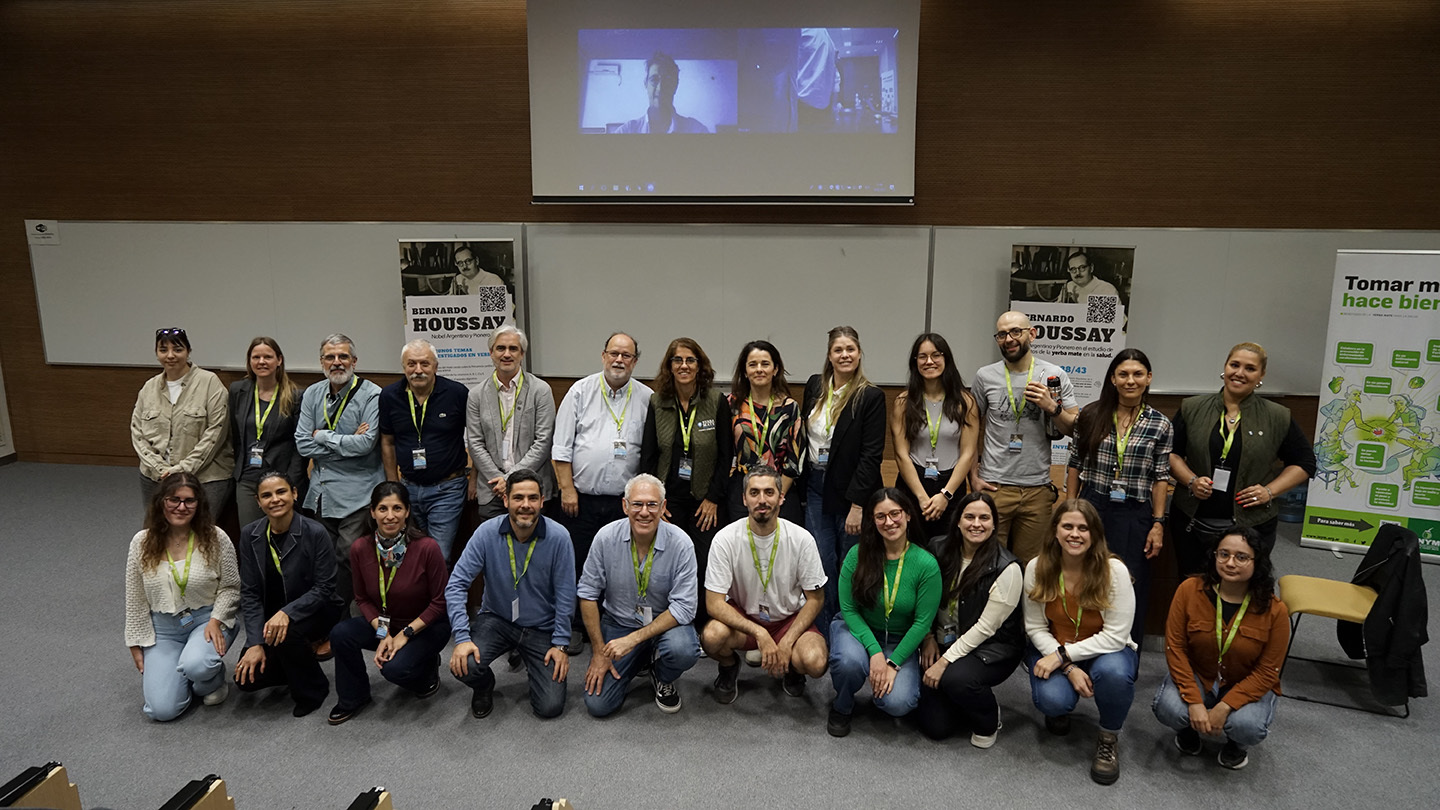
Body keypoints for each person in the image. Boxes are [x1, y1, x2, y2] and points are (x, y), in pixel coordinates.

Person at [1169, 342, 1317, 576]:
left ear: (1261, 375)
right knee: (1192, 589)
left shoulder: (1276, 416)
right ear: (1225, 367)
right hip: (1193, 521)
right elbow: (1171, 453)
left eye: (1250, 368)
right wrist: (1190, 481)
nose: (1239, 373)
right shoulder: (1192, 407)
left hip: (1252, 525)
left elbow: (1305, 463)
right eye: (1234, 365)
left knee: (1243, 590)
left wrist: (1270, 491)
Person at [1152, 527, 1288, 770]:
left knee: (1247, 726)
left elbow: (1268, 671)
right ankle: (1188, 731)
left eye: (1242, 557)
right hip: (1200, 674)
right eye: (1223, 554)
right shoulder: (1189, 590)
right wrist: (1193, 702)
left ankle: (1237, 744)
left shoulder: (1275, 611)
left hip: (1244, 680)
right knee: (1170, 709)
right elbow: (1175, 649)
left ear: (1258, 562)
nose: (1230, 563)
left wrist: (1226, 706)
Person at [1023, 499, 1138, 786]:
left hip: (1105, 651)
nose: (1075, 534)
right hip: (1054, 648)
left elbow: (1115, 636)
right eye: (1068, 526)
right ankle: (1060, 710)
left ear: (1095, 534)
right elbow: (1035, 627)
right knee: (1053, 700)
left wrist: (1063, 656)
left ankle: (1108, 737)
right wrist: (1068, 666)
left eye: (1083, 528)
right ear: (1055, 531)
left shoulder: (1114, 571)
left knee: (1114, 673)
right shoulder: (1037, 567)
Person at [552, 332, 653, 653]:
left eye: (626, 355)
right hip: (580, 500)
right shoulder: (580, 391)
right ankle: (576, 625)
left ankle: (616, 623)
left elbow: (652, 452)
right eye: (614, 353)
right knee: (578, 563)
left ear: (635, 361)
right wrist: (566, 489)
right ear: (603, 356)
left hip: (628, 505)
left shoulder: (647, 398)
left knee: (623, 567)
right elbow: (561, 447)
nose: (619, 360)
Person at [446, 470, 575, 720]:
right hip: (498, 620)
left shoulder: (559, 537)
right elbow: (456, 585)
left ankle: (534, 665)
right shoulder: (486, 533)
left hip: (541, 627)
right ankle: (484, 685)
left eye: (532, 498)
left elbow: (566, 595)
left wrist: (560, 643)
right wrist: (461, 638)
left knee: (550, 707)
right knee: (464, 665)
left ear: (542, 500)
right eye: (518, 498)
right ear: (505, 500)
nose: (525, 505)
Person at [1065, 349, 1172, 645]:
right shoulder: (1090, 414)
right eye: (1123, 374)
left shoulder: (1160, 424)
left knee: (1130, 582)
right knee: (1085, 575)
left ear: (1148, 379)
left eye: (1138, 374)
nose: (1130, 381)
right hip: (1092, 507)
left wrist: (1158, 522)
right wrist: (1070, 509)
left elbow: (1160, 477)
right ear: (1112, 378)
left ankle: (1126, 651)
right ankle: (1080, 645)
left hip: (1134, 513)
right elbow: (1075, 465)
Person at [326, 482, 452, 725]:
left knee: (393, 669)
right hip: (386, 625)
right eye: (383, 509)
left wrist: (405, 634)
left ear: (407, 512)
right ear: (372, 512)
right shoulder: (360, 548)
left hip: (426, 626)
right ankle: (354, 697)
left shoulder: (427, 547)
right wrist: (383, 634)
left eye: (397, 508)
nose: (390, 516)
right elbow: (361, 598)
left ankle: (427, 670)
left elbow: (440, 602)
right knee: (340, 634)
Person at [702, 466, 829, 704]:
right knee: (711, 636)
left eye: (769, 492)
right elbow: (713, 603)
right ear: (744, 498)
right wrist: (759, 633)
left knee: (816, 662)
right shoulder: (725, 539)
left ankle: (792, 666)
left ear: (781, 497)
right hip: (746, 620)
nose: (762, 500)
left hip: (788, 619)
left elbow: (816, 599)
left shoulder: (802, 539)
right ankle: (729, 666)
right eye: (755, 493)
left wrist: (787, 641)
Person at [578, 474, 701, 716]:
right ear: (625, 506)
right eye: (637, 504)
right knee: (598, 705)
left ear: (663, 507)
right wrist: (598, 652)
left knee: (684, 649)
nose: (644, 512)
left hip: (664, 625)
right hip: (619, 623)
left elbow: (684, 608)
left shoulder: (681, 544)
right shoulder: (605, 537)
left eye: (652, 504)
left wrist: (633, 640)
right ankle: (641, 659)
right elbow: (587, 594)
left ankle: (662, 674)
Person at [124, 472, 240, 721]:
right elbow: (135, 597)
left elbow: (231, 587)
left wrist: (216, 620)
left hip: (206, 620)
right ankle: (184, 674)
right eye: (174, 499)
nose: (181, 507)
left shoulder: (216, 537)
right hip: (164, 629)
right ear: (161, 501)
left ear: (199, 505)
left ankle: (209, 680)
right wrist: (135, 642)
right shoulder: (141, 542)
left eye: (189, 501)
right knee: (161, 711)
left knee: (197, 666)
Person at [827, 488, 941, 737]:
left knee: (900, 704)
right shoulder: (857, 555)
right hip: (858, 630)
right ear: (872, 521)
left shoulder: (926, 564)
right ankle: (842, 705)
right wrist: (876, 653)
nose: (889, 522)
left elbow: (923, 622)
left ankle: (881, 691)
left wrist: (894, 662)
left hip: (900, 639)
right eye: (880, 516)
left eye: (895, 514)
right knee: (848, 663)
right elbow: (847, 608)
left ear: (908, 515)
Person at [917, 493, 1025, 748]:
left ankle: (988, 719)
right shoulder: (937, 548)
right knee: (936, 728)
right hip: (943, 638)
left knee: (957, 680)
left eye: (984, 518)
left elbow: (986, 628)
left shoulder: (1007, 567)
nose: (977, 524)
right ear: (957, 521)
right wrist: (928, 637)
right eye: (970, 517)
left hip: (991, 648)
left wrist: (943, 662)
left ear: (994, 524)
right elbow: (923, 598)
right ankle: (959, 698)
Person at [234, 470, 344, 717]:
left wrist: (287, 612)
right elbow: (250, 593)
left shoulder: (315, 532)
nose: (275, 499)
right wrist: (254, 643)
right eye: (267, 495)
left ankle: (314, 689)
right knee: (246, 680)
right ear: (258, 502)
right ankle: (295, 662)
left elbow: (325, 588)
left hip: (318, 609)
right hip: (274, 616)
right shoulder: (250, 534)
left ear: (294, 493)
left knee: (286, 636)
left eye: (281, 491)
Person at [971, 311, 1079, 562]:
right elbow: (970, 428)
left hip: (1036, 490)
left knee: (1031, 570)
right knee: (986, 565)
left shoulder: (1054, 375)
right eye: (1002, 334)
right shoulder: (985, 376)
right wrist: (973, 477)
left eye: (1015, 332)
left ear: (1032, 334)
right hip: (994, 486)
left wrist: (1052, 407)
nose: (1009, 339)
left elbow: (1074, 428)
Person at [801, 326, 888, 630]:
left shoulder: (871, 396)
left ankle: (848, 631)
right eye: (838, 350)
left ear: (859, 353)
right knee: (821, 563)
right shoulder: (814, 387)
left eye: (850, 349)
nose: (844, 355)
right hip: (815, 487)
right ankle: (823, 632)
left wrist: (858, 504)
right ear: (829, 355)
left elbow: (871, 455)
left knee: (850, 564)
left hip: (853, 492)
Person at [640, 337, 732, 626]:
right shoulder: (658, 402)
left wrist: (713, 498)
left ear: (699, 365)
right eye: (677, 360)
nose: (684, 365)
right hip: (669, 501)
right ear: (670, 366)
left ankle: (705, 622)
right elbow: (649, 456)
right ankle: (672, 622)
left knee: (705, 563)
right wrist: (656, 502)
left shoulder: (715, 401)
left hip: (706, 501)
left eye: (690, 360)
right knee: (670, 563)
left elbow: (726, 455)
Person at [295, 333, 384, 610]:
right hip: (322, 492)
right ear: (321, 362)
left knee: (347, 555)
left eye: (343, 356)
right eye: (330, 357)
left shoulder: (372, 394)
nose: (337, 362)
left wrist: (322, 435)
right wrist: (344, 440)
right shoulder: (312, 393)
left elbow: (367, 445)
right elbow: (302, 443)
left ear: (354, 361)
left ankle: (343, 619)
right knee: (322, 558)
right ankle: (327, 615)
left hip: (359, 492)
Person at [379, 339, 471, 564]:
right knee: (405, 557)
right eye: (411, 364)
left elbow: (477, 438)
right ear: (403, 367)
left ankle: (438, 601)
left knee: (439, 556)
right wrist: (394, 486)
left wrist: (475, 478)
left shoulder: (457, 393)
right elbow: (387, 441)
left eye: (424, 364)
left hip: (447, 489)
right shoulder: (389, 396)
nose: (417, 370)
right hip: (408, 488)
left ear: (436, 367)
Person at [131, 327, 233, 511]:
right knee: (157, 531)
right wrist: (159, 468)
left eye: (177, 349)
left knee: (201, 534)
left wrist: (181, 470)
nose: (170, 355)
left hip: (205, 476)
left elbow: (216, 433)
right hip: (156, 475)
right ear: (156, 353)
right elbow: (137, 432)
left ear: (188, 351)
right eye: (163, 350)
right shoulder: (149, 388)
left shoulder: (210, 383)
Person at [891, 333, 979, 540]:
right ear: (915, 362)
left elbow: (967, 454)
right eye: (922, 356)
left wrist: (945, 495)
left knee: (947, 552)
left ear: (946, 359)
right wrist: (921, 497)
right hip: (913, 484)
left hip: (951, 485)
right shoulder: (904, 402)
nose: (929, 361)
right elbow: (901, 455)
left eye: (936, 355)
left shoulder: (965, 402)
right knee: (909, 549)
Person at [467, 325, 556, 522]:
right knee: (493, 549)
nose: (506, 354)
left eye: (513, 349)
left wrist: (509, 479)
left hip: (531, 490)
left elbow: (543, 442)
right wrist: (499, 481)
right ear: (491, 352)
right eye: (500, 348)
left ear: (522, 354)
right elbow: (475, 443)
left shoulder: (540, 391)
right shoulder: (476, 395)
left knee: (534, 549)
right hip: (492, 490)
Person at [228, 336, 304, 527]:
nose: (261, 362)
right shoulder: (238, 390)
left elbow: (298, 445)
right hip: (247, 477)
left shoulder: (294, 396)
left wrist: (290, 481)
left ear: (279, 360)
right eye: (256, 357)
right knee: (250, 533)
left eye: (268, 357)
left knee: (281, 532)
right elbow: (236, 436)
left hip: (279, 478)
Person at [726, 340, 804, 524]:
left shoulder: (789, 408)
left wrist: (775, 497)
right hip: (741, 492)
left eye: (765, 364)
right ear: (745, 371)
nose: (759, 369)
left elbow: (795, 460)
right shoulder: (732, 405)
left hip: (780, 490)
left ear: (775, 369)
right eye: (752, 364)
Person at [615, 52, 710, 134]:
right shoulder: (625, 131)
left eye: (667, 80)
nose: (660, 88)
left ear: (676, 85)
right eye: (654, 80)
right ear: (645, 84)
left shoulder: (697, 130)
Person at [794, 28, 837, 132]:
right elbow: (835, 78)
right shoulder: (830, 41)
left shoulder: (804, 31)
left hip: (801, 106)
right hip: (824, 109)